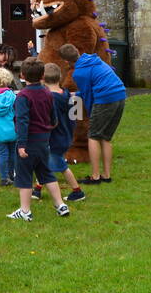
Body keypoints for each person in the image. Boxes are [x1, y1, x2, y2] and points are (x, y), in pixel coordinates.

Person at [10, 58, 69, 220]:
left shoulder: (23, 96)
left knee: (24, 176)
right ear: (43, 75)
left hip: (28, 142)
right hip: (44, 141)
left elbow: (22, 120)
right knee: (46, 173)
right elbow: (53, 116)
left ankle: (25, 211)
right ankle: (60, 205)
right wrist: (50, 127)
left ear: (22, 75)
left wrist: (21, 145)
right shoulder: (47, 93)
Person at [64, 43, 126, 186]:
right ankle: (106, 175)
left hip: (105, 99)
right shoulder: (93, 60)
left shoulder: (78, 72)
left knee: (93, 136)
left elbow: (89, 97)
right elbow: (92, 87)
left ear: (66, 62)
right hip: (120, 94)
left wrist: (90, 115)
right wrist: (77, 94)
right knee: (105, 137)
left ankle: (95, 176)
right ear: (78, 52)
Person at [36, 62, 84, 203]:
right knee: (44, 162)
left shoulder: (51, 99)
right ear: (60, 77)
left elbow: (51, 121)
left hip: (55, 138)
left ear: (42, 78)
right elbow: (74, 116)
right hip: (65, 135)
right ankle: (37, 189)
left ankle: (77, 191)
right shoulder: (66, 94)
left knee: (61, 166)